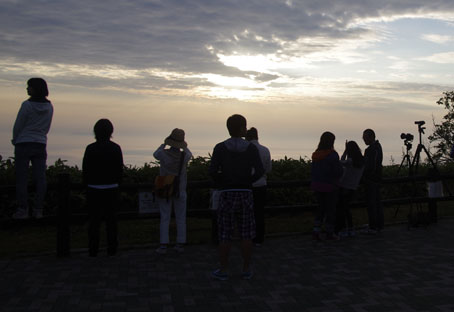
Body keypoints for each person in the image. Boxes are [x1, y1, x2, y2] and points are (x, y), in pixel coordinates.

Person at [209, 114, 264, 280]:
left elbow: (212, 172)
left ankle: (223, 270)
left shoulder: (220, 148)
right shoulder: (251, 148)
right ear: (242, 128)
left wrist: (223, 182)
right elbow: (260, 170)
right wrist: (248, 181)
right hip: (246, 193)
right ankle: (246, 269)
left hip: (226, 194)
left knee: (225, 234)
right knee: (246, 234)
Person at [12, 78, 54, 219]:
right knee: (41, 178)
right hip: (40, 143)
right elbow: (47, 127)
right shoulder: (49, 107)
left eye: (29, 86)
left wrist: (15, 139)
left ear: (35, 88)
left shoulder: (27, 105)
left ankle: (23, 209)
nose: (27, 89)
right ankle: (38, 209)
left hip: (23, 143)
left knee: (21, 178)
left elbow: (18, 125)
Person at [83, 119, 123, 257]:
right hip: (112, 188)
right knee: (111, 221)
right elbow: (119, 170)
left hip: (93, 188)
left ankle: (93, 249)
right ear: (110, 132)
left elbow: (85, 170)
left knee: (94, 222)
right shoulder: (116, 148)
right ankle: (112, 248)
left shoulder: (90, 148)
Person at [153, 128, 192, 254]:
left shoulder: (163, 154)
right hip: (180, 190)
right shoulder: (184, 156)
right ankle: (180, 243)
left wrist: (164, 144)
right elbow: (189, 152)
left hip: (165, 188)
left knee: (165, 217)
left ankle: (163, 244)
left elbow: (156, 153)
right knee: (181, 217)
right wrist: (184, 146)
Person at [310, 131, 343, 241]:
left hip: (317, 186)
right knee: (330, 210)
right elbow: (337, 172)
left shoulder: (316, 154)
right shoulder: (333, 155)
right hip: (330, 186)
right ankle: (329, 232)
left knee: (320, 209)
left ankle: (316, 230)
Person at [245, 127, 272, 246]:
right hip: (261, 184)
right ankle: (259, 238)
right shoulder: (265, 150)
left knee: (246, 213)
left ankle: (247, 236)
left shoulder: (244, 149)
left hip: (247, 185)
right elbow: (268, 169)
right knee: (259, 213)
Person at [335, 140, 365, 237]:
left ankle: (343, 229)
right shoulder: (361, 161)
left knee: (342, 209)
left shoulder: (350, 161)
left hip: (344, 187)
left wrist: (345, 151)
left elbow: (340, 162)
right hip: (353, 187)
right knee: (346, 209)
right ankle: (351, 228)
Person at [362, 129, 384, 234]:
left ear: (371, 137)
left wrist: (366, 175)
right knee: (377, 203)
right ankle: (377, 224)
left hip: (371, 180)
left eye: (365, 137)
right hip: (377, 179)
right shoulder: (378, 147)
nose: (364, 139)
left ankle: (373, 226)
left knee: (372, 204)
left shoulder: (371, 150)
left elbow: (370, 166)